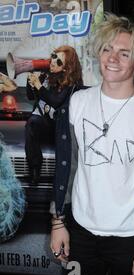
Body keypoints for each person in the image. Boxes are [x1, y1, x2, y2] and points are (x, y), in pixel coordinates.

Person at [49, 13, 134, 275]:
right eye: (107, 49)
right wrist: (58, 223)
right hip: (80, 234)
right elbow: (67, 169)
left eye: (124, 53)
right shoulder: (76, 103)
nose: (112, 58)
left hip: (130, 240)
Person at [25, 46, 82, 184]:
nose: (53, 62)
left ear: (66, 68)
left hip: (60, 127)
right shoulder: (46, 75)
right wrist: (30, 83)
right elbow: (31, 97)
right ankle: (35, 169)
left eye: (59, 62)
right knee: (31, 122)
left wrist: (39, 86)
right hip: (44, 121)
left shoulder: (71, 83)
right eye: (54, 57)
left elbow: (56, 101)